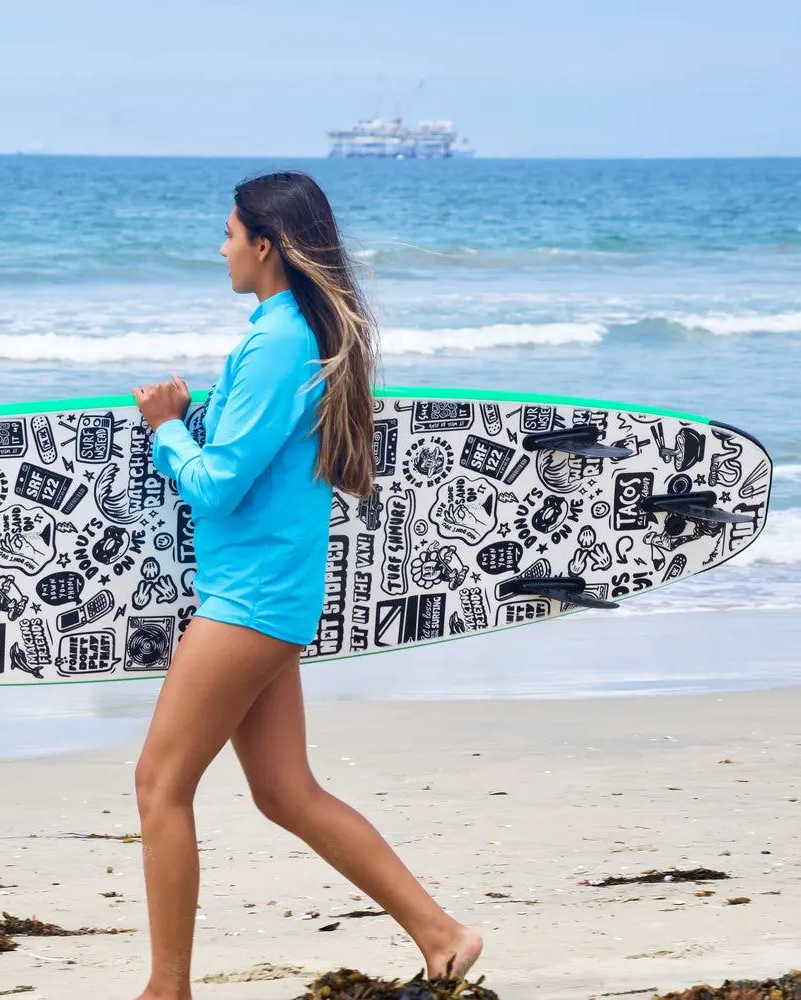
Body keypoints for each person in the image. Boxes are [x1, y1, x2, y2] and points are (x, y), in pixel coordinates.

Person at [130, 171, 482, 1000]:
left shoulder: (280, 341)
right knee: (285, 792)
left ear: (265, 244)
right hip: (269, 593)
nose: (219, 249)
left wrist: (166, 430)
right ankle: (442, 935)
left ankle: (166, 990)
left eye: (227, 233)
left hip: (248, 600)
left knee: (159, 783)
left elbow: (217, 485)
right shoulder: (287, 335)